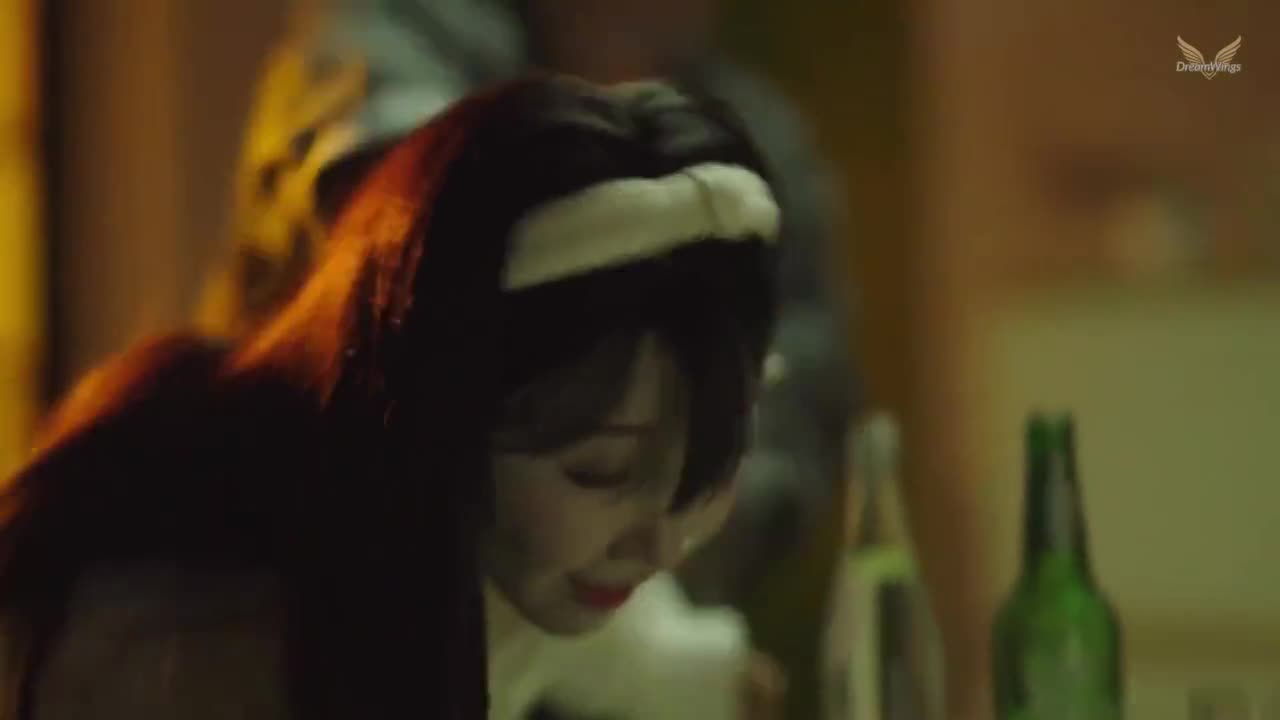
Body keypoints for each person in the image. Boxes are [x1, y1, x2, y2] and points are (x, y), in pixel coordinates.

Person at [0, 77, 782, 719]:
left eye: (706, 471)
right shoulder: (194, 644)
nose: (659, 546)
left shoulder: (529, 553)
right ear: (442, 407)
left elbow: (656, 662)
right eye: (600, 471)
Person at [200, 0, 859, 613]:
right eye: (599, 469)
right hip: (298, 601)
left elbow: (804, 410)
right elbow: (425, 221)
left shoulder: (764, 142)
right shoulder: (394, 35)